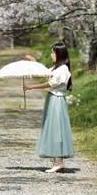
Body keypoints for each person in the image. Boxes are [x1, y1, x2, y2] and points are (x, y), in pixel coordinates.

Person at [22, 42, 74, 173]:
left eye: (53, 52)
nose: (51, 55)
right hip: (53, 99)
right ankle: (57, 161)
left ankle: (58, 162)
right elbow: (45, 73)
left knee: (56, 130)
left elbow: (51, 82)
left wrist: (31, 87)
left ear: (59, 54)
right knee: (53, 129)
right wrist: (35, 62)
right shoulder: (57, 68)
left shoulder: (63, 69)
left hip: (56, 101)